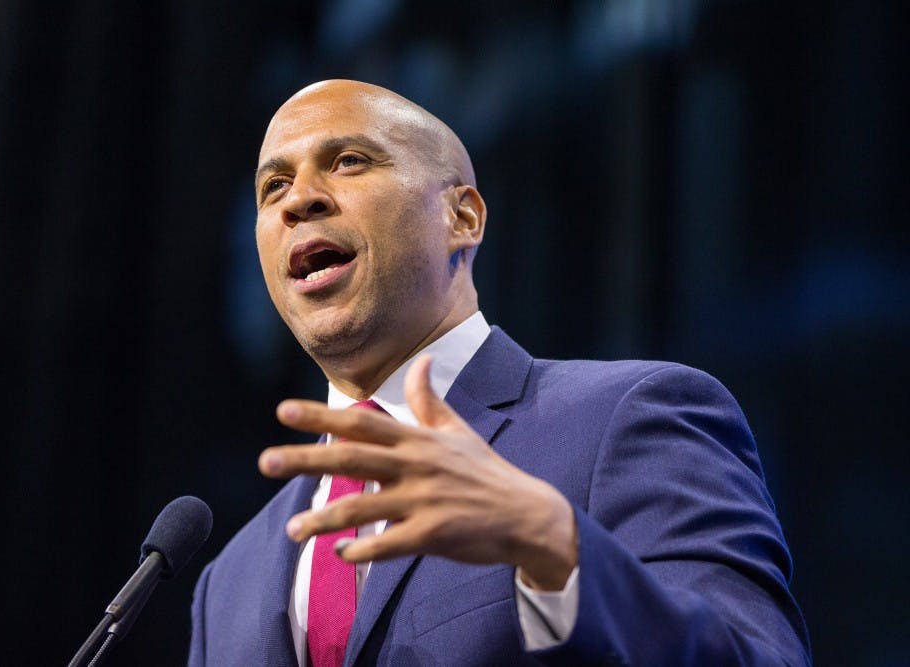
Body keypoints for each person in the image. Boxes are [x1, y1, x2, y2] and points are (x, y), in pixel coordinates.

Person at [189, 79, 810, 666]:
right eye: (273, 188)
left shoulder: (629, 418)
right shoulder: (227, 584)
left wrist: (554, 546)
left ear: (463, 217)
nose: (300, 199)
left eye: (350, 161)